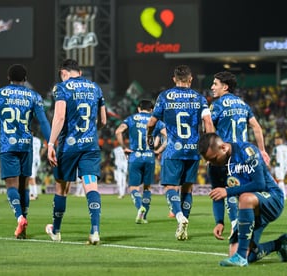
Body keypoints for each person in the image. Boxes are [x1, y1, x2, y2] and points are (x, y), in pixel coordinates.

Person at [198, 132, 287, 267]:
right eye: (209, 160)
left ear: (223, 147)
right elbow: (217, 195)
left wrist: (228, 191)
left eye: (214, 158)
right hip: (251, 210)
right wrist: (219, 222)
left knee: (245, 197)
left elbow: (259, 184)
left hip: (272, 199)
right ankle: (279, 244)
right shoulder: (214, 166)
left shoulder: (247, 152)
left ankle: (241, 258)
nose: (212, 163)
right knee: (236, 253)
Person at [147, 65, 213, 240]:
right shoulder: (199, 98)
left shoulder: (165, 97)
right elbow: (208, 122)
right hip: (193, 150)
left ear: (174, 79)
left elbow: (152, 122)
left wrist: (148, 136)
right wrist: (210, 148)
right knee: (187, 189)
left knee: (170, 187)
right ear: (190, 80)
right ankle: (183, 225)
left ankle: (179, 216)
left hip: (173, 150)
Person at [45, 59, 107, 244]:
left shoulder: (62, 88)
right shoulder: (95, 88)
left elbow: (60, 116)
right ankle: (95, 231)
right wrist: (91, 133)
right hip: (90, 147)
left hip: (68, 147)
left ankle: (56, 231)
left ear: (64, 73)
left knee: (62, 188)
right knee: (91, 186)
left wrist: (50, 144)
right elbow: (103, 120)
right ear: (79, 72)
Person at [209, 71, 270, 254]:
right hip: (244, 154)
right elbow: (256, 128)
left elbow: (209, 128)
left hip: (225, 154)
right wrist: (262, 150)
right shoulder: (243, 104)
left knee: (224, 190)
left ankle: (235, 224)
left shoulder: (217, 105)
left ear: (225, 87)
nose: (212, 87)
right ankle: (243, 225)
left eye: (215, 84)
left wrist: (211, 151)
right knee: (240, 191)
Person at [0, 64, 51, 239]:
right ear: (25, 79)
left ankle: (19, 218)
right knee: (24, 184)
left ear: (8, 78)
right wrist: (51, 143)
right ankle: (23, 228)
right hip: (26, 144)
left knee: (11, 185)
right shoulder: (34, 96)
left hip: (7, 144)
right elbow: (44, 122)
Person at [115, 99, 166, 223]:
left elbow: (118, 131)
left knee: (133, 187)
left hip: (135, 156)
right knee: (147, 188)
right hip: (149, 157)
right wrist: (159, 150)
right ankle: (144, 216)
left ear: (139, 108)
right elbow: (167, 137)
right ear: (152, 109)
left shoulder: (131, 119)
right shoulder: (156, 121)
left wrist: (124, 148)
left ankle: (139, 207)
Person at [29, 135, 46, 200]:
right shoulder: (38, 140)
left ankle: (34, 194)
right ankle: (32, 193)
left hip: (31, 160)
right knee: (31, 177)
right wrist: (39, 154)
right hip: (37, 160)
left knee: (31, 178)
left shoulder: (28, 139)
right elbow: (44, 147)